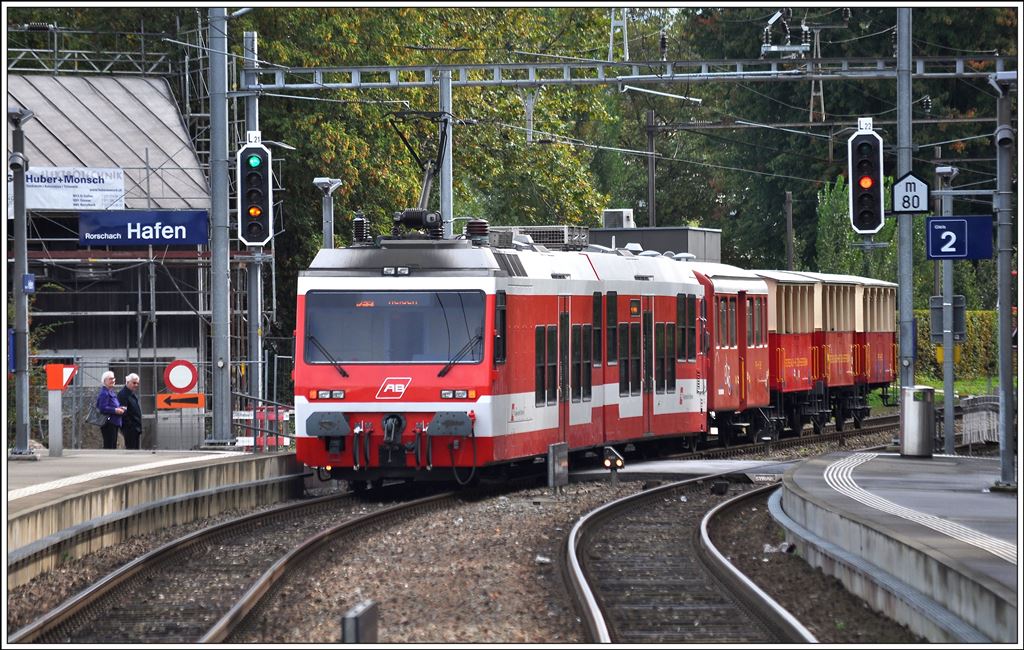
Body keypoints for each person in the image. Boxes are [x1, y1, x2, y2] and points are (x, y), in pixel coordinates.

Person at [96, 370, 125, 449]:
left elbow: (112, 404)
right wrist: (115, 410)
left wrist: (119, 408)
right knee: (109, 445)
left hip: (114, 422)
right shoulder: (104, 393)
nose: (113, 380)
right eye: (111, 379)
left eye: (114, 379)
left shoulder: (110, 391)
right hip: (108, 423)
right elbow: (102, 408)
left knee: (113, 445)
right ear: (104, 381)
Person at [117, 373, 143, 450]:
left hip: (135, 427)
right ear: (127, 382)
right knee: (132, 450)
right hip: (130, 428)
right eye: (134, 383)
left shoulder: (131, 394)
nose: (136, 385)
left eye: (137, 383)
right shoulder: (123, 394)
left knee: (135, 449)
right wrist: (130, 426)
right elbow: (123, 412)